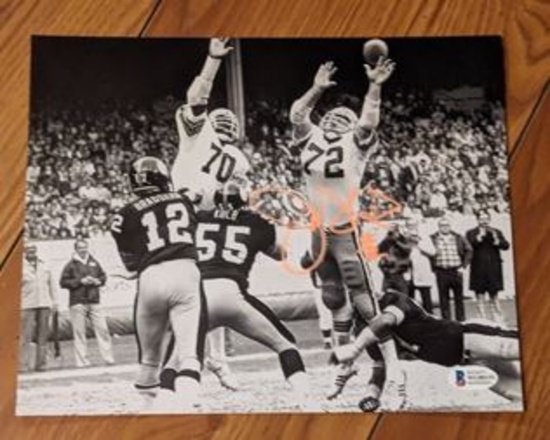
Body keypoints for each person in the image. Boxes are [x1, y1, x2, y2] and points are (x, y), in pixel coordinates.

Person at [290, 54, 400, 399]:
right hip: (318, 230)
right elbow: (297, 114)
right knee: (332, 297)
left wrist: (374, 87)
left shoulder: (356, 143)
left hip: (344, 230)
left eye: (344, 118)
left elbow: (368, 120)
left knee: (365, 302)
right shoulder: (311, 137)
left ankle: (393, 364)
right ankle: (345, 363)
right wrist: (316, 89)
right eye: (332, 114)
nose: (336, 118)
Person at [161, 179, 312, 407]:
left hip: (197, 298)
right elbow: (280, 254)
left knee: (177, 360)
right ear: (243, 199)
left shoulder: (197, 218)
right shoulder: (256, 221)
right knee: (286, 344)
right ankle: (305, 400)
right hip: (233, 295)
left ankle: (172, 403)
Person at [171, 37, 250, 390]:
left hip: (191, 219)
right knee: (199, 291)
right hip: (197, 219)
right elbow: (197, 98)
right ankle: (206, 358)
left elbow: (196, 97)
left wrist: (212, 61)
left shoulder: (211, 141)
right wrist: (213, 60)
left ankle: (197, 359)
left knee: (194, 291)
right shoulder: (237, 158)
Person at [110, 156, 205, 411]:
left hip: (150, 277)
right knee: (188, 353)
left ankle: (147, 410)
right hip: (184, 271)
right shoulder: (183, 199)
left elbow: (131, 262)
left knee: (149, 359)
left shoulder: (125, 214)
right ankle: (186, 404)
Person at [331, 288, 521, 411]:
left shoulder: (393, 299)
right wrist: (371, 396)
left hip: (471, 337)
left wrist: (355, 347)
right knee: (517, 395)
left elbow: (386, 321)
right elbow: (380, 366)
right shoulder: (367, 331)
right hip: (466, 363)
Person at [60, 239, 114, 368]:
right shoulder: (70, 265)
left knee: (103, 329)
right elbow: (63, 282)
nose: (83, 250)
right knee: (79, 332)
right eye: (80, 248)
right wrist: (80, 281)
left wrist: (98, 281)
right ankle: (82, 361)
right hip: (77, 302)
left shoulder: (94, 262)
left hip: (94, 300)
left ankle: (108, 358)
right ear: (76, 249)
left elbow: (103, 276)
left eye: (85, 247)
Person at [20, 243, 59, 372]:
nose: (31, 251)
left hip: (44, 303)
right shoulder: (19, 265)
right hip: (26, 304)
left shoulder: (44, 264)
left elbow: (52, 284)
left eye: (33, 249)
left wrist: (55, 301)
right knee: (25, 336)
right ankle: (23, 365)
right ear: (24, 251)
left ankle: (41, 364)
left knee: (43, 336)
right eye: (28, 249)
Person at [466, 211, 510, 321]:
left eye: (486, 219)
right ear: (477, 220)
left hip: (493, 268)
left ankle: (498, 318)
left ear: (489, 220)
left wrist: (498, 241)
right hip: (478, 268)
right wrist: (478, 238)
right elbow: (468, 246)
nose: (484, 221)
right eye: (481, 219)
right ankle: (482, 318)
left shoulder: (496, 231)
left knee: (494, 294)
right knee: (479, 294)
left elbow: (506, 245)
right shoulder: (471, 232)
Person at [430, 217, 472, 321]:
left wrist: (463, 266)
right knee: (443, 299)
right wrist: (433, 268)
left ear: (450, 226)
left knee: (459, 298)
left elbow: (469, 250)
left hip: (456, 271)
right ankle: (446, 322)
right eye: (442, 225)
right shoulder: (433, 238)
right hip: (441, 271)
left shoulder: (458, 237)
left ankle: (461, 321)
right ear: (439, 227)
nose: (445, 227)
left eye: (447, 225)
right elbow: (428, 252)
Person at [405, 219, 436, 313]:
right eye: (409, 225)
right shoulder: (403, 238)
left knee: (426, 298)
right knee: (409, 300)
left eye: (413, 225)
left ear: (417, 226)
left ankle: (429, 317)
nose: (411, 227)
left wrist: (418, 243)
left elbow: (432, 252)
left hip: (422, 271)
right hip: (408, 272)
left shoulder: (424, 238)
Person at [377, 223, 412, 295]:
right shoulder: (387, 240)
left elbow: (407, 249)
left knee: (403, 295)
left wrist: (396, 241)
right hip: (388, 273)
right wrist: (387, 238)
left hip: (399, 273)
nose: (392, 232)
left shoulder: (402, 239)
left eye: (394, 230)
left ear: (397, 230)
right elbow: (379, 250)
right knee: (386, 295)